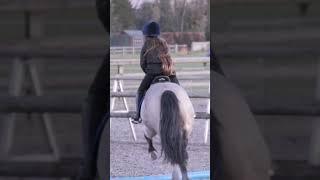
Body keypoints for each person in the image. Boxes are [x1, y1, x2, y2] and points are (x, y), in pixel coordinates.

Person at [131, 21, 180, 123]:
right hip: (168, 73)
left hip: (152, 74)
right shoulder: (163, 43)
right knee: (179, 90)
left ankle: (138, 115)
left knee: (140, 91)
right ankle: (188, 110)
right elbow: (169, 58)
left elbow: (142, 64)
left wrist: (148, 71)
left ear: (146, 34)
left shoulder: (146, 45)